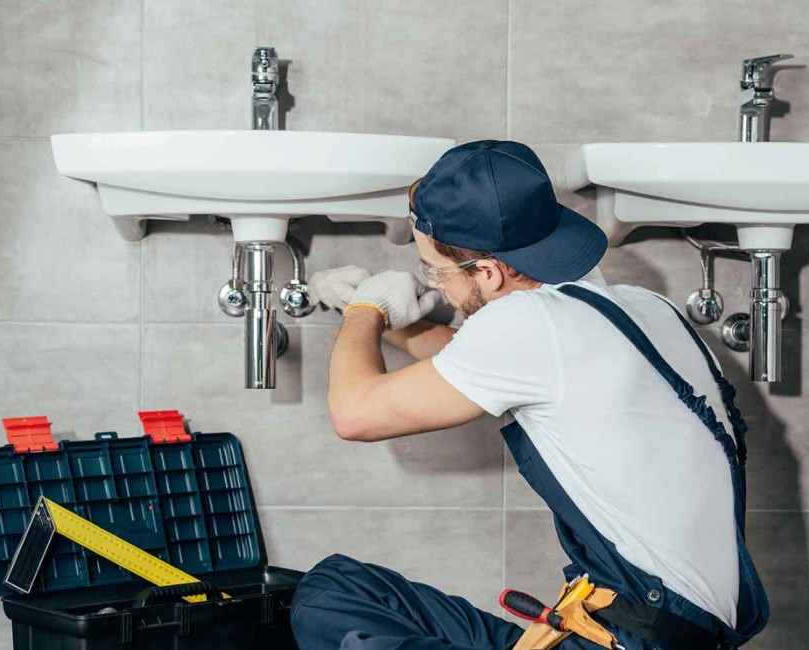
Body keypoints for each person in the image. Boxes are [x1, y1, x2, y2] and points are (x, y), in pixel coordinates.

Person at [291, 140, 769, 650]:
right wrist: (390, 321)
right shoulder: (641, 307)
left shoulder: (528, 325)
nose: (437, 284)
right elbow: (475, 365)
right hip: (667, 631)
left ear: (489, 272)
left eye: (435, 270)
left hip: (635, 642)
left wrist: (366, 309)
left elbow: (354, 414)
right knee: (337, 587)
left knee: (331, 606)